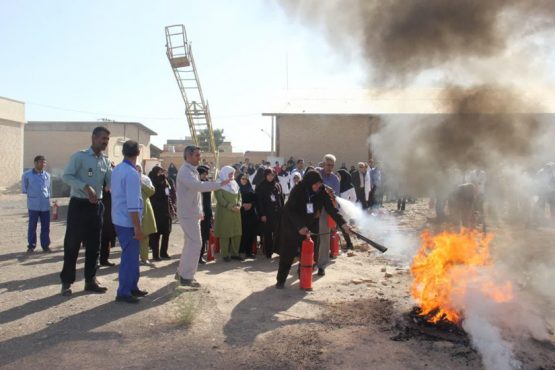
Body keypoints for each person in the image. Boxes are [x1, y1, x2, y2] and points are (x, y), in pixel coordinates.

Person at [275, 170, 351, 288]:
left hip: (310, 223)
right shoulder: (298, 190)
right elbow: (289, 210)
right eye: (315, 184)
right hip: (292, 224)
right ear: (308, 182)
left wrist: (343, 224)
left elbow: (332, 209)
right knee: (288, 253)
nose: (317, 186)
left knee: (309, 253)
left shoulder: (321, 191)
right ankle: (281, 280)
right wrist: (300, 226)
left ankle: (304, 278)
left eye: (319, 184)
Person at [60, 126, 112, 296]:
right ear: (94, 138)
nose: (105, 142)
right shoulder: (79, 157)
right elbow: (66, 176)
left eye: (107, 139)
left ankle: (90, 280)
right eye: (102, 138)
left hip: (96, 208)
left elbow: (110, 182)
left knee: (94, 246)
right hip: (79, 205)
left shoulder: (105, 161)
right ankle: (66, 282)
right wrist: (85, 187)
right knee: (72, 245)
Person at [175, 146, 233, 287]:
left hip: (192, 213)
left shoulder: (191, 170)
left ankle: (182, 273)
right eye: (196, 155)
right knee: (196, 244)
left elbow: (196, 195)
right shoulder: (185, 172)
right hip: (187, 214)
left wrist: (200, 211)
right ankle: (186, 277)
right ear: (188, 156)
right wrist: (219, 184)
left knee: (190, 244)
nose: (199, 157)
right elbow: (198, 186)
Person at [111, 140, 147, 303]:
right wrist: (137, 228)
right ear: (138, 153)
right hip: (128, 221)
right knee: (129, 257)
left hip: (119, 218)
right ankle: (124, 291)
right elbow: (132, 204)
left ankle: (132, 286)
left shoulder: (118, 169)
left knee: (132, 256)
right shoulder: (131, 173)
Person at [21, 155, 52, 253]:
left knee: (46, 226)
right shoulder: (27, 175)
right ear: (35, 163)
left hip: (45, 205)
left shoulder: (47, 175)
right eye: (41, 162)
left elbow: (48, 188)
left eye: (44, 163)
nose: (43, 164)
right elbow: (24, 188)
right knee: (32, 226)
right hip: (33, 205)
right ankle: (31, 246)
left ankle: (45, 245)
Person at [316, 154, 340, 275]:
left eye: (332, 165)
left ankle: (322, 265)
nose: (330, 167)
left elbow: (336, 197)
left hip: (325, 210)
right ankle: (307, 261)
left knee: (324, 237)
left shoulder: (335, 179)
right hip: (313, 209)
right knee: (312, 236)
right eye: (328, 165)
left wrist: (332, 195)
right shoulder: (316, 172)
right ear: (323, 164)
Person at [214, 166, 243, 261]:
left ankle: (235, 253)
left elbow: (239, 196)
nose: (232, 175)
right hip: (225, 212)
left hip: (236, 212)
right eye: (230, 174)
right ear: (225, 173)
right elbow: (220, 199)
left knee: (236, 233)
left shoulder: (234, 183)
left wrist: (239, 204)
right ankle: (225, 254)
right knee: (225, 233)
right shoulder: (218, 184)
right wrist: (231, 207)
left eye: (232, 174)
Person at [256, 168, 284, 258]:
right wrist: (262, 214)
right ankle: (268, 252)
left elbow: (281, 198)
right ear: (265, 176)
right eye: (269, 175)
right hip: (267, 213)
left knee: (278, 232)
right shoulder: (261, 186)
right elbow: (259, 202)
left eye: (272, 175)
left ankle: (277, 250)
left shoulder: (277, 185)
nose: (271, 177)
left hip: (277, 213)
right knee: (268, 234)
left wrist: (282, 210)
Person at [148, 166, 173, 261]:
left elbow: (168, 194)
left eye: (162, 172)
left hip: (166, 211)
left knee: (167, 232)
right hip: (156, 211)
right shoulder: (152, 181)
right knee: (156, 235)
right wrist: (161, 180)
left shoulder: (165, 181)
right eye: (159, 172)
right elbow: (155, 192)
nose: (161, 174)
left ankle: (164, 252)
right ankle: (155, 254)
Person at [136, 164, 157, 266]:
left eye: (139, 170)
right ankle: (134, 258)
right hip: (132, 211)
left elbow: (152, 192)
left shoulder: (145, 179)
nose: (138, 172)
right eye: (135, 169)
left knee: (145, 235)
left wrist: (141, 184)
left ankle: (144, 258)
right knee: (133, 236)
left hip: (145, 209)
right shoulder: (127, 178)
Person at [238, 174, 258, 259]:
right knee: (242, 232)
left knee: (250, 232)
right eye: (242, 179)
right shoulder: (236, 189)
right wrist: (242, 205)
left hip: (251, 214)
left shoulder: (251, 189)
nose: (244, 180)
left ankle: (249, 252)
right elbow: (235, 200)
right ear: (240, 180)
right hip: (241, 213)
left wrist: (251, 204)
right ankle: (240, 251)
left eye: (246, 179)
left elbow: (256, 199)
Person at [337, 169, 356, 250]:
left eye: (339, 175)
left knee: (344, 228)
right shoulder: (337, 184)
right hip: (336, 210)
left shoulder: (350, 187)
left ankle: (349, 244)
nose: (337, 177)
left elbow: (354, 199)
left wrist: (346, 206)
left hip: (344, 211)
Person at [198, 165, 213, 264]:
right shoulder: (194, 184)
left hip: (206, 213)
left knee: (204, 235)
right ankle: (197, 257)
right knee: (198, 236)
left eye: (205, 174)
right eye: (202, 174)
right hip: (196, 213)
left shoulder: (207, 183)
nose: (204, 176)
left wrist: (210, 213)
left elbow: (208, 201)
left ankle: (200, 256)